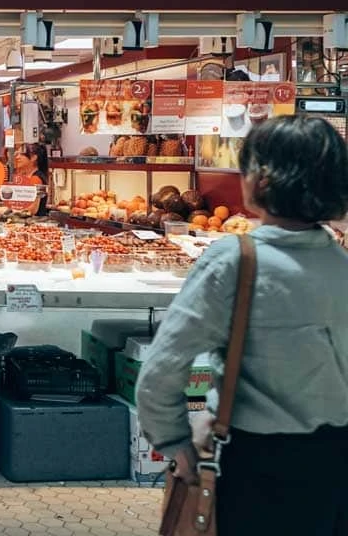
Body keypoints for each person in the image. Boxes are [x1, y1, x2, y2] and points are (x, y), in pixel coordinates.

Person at [136, 116, 348, 535]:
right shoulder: (340, 263)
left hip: (253, 467)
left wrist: (175, 443)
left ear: (262, 180)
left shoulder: (235, 260)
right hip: (336, 466)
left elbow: (161, 373)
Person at [13, 144, 49, 216]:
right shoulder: (23, 176)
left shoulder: (36, 179)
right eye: (17, 154)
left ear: (34, 158)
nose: (17, 157)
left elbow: (32, 209)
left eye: (22, 154)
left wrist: (12, 209)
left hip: (35, 222)